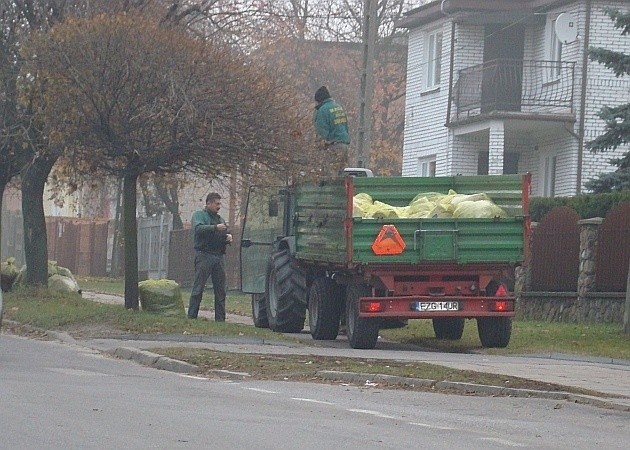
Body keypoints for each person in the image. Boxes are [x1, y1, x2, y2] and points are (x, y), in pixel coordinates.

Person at [187, 192, 233, 321]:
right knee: (198, 288)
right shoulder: (199, 216)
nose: (219, 206)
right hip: (204, 255)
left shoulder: (220, 219)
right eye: (217, 204)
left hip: (219, 256)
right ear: (208, 203)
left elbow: (223, 233)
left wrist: (228, 237)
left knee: (221, 290)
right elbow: (198, 229)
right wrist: (215, 228)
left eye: (220, 204)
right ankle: (192, 316)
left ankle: (220, 320)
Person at [313, 85, 351, 175]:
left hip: (333, 148)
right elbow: (345, 127)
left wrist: (317, 149)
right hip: (344, 146)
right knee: (340, 179)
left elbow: (321, 133)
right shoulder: (339, 107)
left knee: (330, 179)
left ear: (319, 100)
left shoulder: (323, 110)